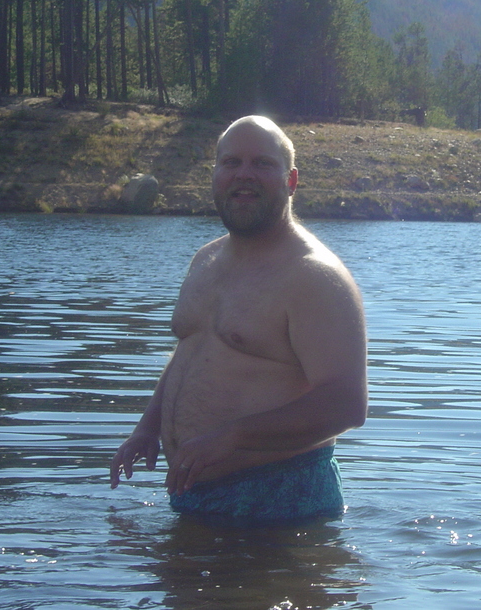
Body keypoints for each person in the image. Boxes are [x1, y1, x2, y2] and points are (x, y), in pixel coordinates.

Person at [109, 115, 368, 527]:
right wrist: (148, 427)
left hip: (280, 501)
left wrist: (232, 437)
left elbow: (346, 405)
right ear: (214, 175)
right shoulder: (206, 260)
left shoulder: (313, 276)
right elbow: (194, 349)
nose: (244, 175)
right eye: (231, 163)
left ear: (291, 180)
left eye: (262, 163)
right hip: (196, 496)